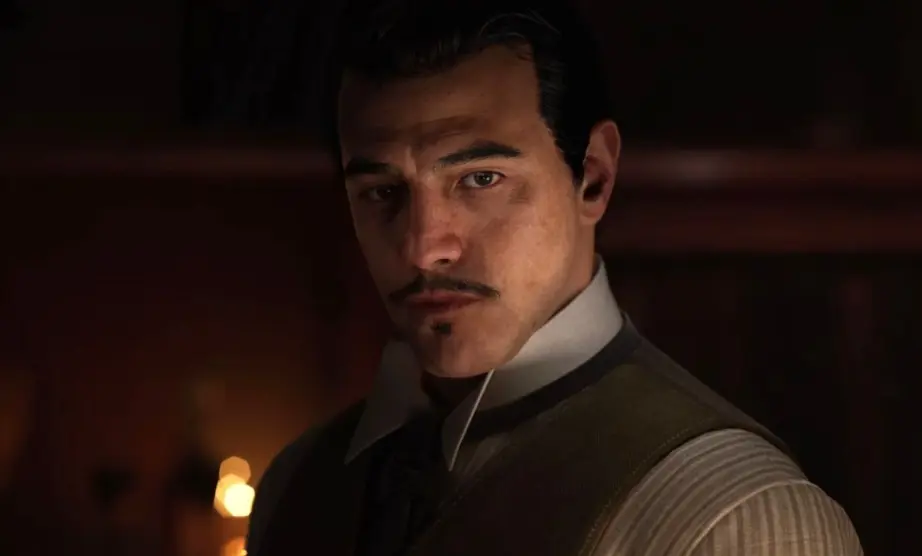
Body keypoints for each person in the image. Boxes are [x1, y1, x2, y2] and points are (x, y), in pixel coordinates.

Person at [246, 0, 864, 554]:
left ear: (592, 176)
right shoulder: (299, 485)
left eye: (481, 179)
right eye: (382, 191)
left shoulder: (733, 518)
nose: (424, 247)